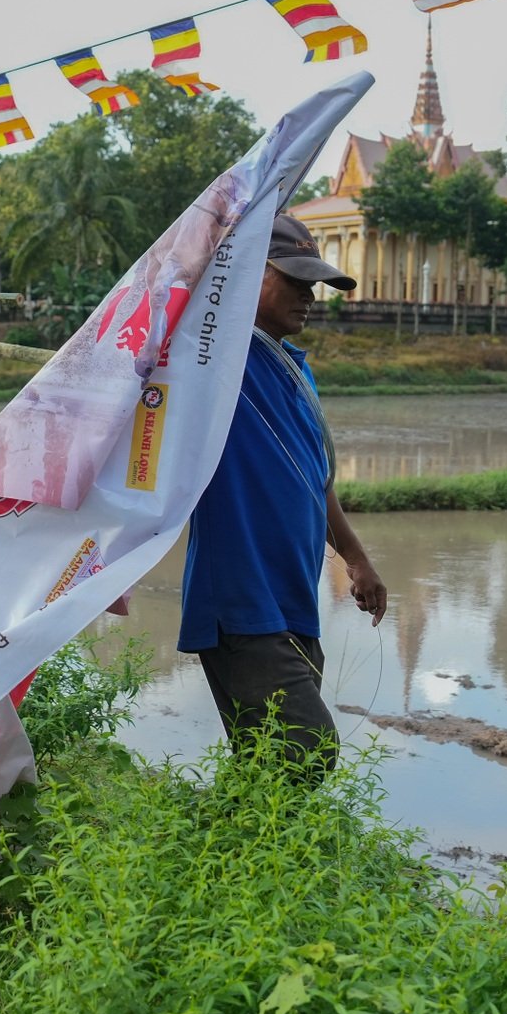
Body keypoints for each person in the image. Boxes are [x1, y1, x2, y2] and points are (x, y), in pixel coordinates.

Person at [180, 213, 388, 776]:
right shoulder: (214, 357)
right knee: (307, 753)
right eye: (293, 279)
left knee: (265, 768)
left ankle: (229, 861)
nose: (310, 295)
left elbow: (315, 476)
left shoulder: (292, 368)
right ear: (245, 274)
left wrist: (356, 557)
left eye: (313, 283)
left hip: (295, 595)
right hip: (241, 599)